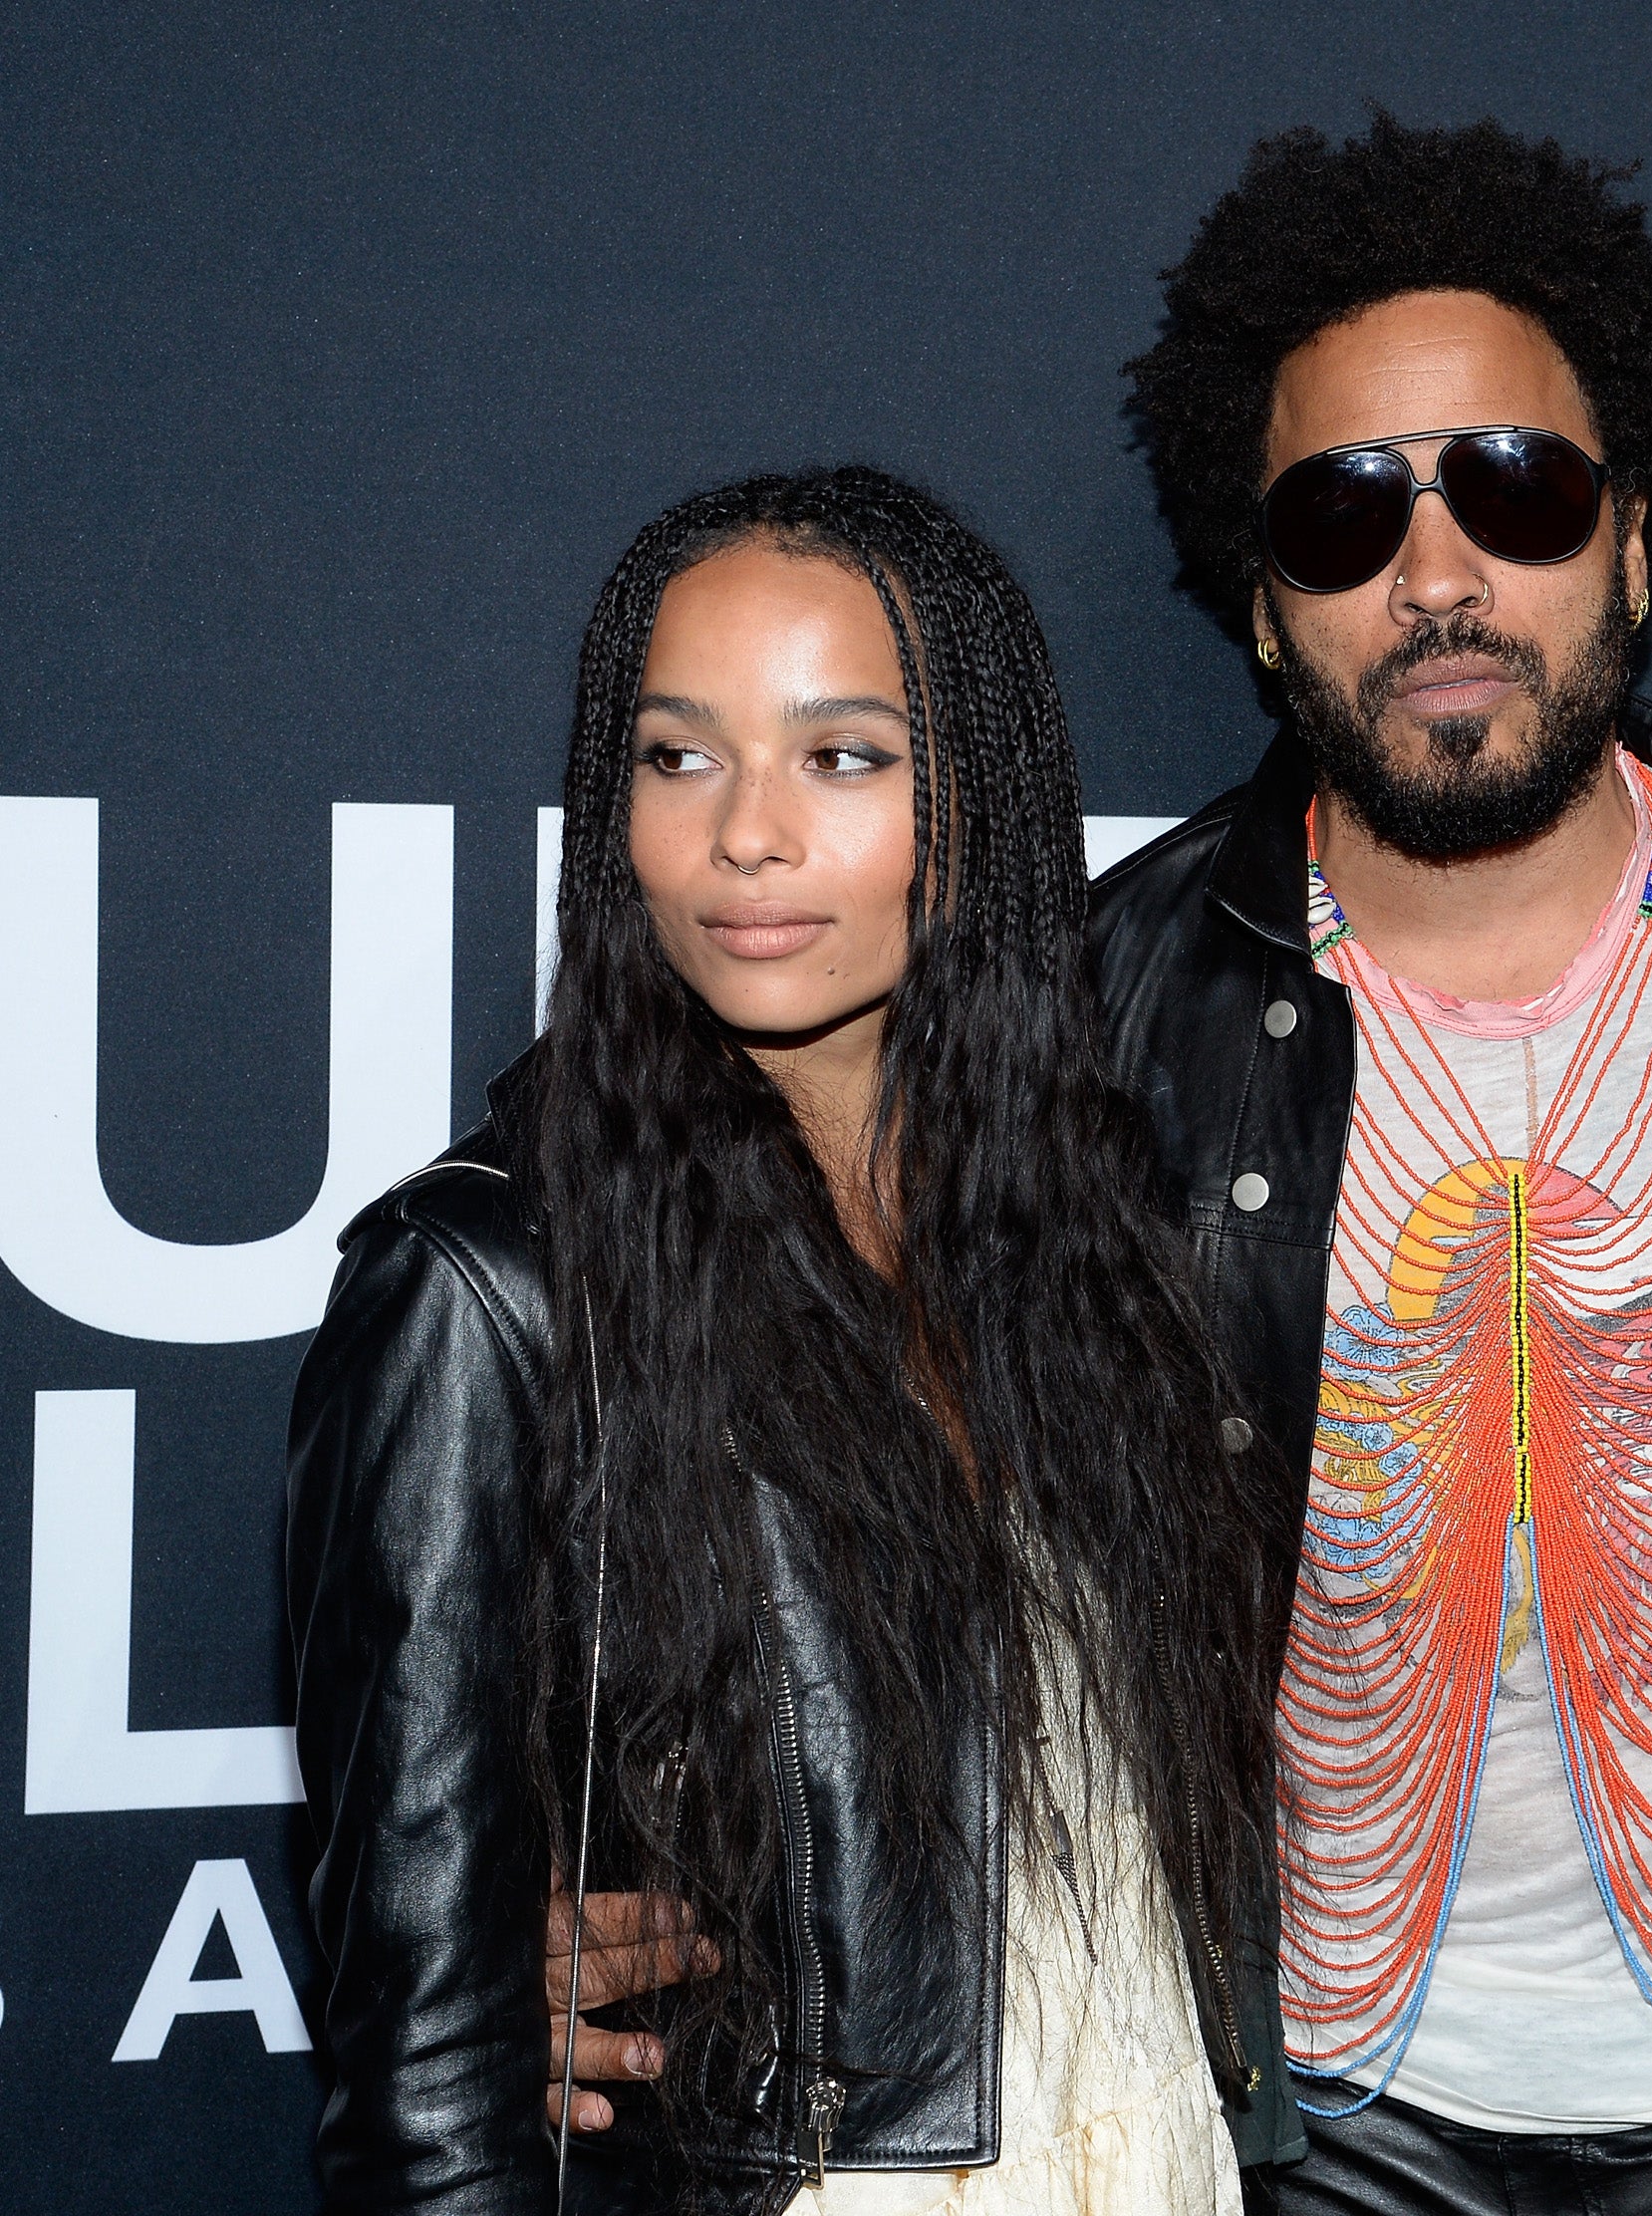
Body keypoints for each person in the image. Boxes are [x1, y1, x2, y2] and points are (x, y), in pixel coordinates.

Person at [556, 117, 1652, 2212]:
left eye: (1513, 490)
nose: (1436, 575)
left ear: (1632, 540)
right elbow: (740, 1364)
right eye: (1345, 519)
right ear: (1265, 613)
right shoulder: (1103, 1001)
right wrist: (561, 1881)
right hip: (1301, 2119)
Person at [287, 466, 1280, 2214]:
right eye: (678, 757)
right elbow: (428, 2091)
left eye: (843, 757)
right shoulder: (488, 1285)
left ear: (978, 804)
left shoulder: (1088, 1241)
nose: (746, 833)